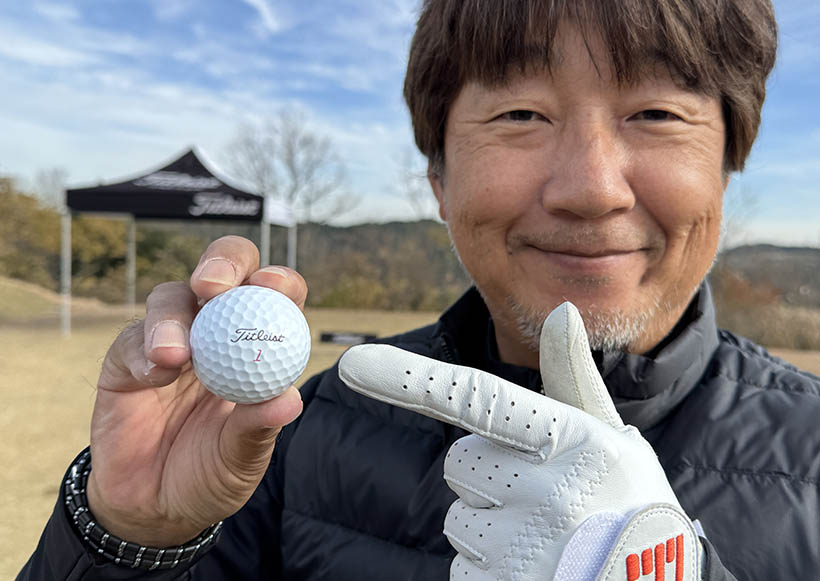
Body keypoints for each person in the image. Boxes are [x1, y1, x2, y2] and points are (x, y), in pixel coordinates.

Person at [18, 0, 818, 579]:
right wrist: (129, 536)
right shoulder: (300, 433)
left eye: (655, 113)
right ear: (438, 179)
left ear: (727, 166)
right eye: (520, 114)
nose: (592, 188)